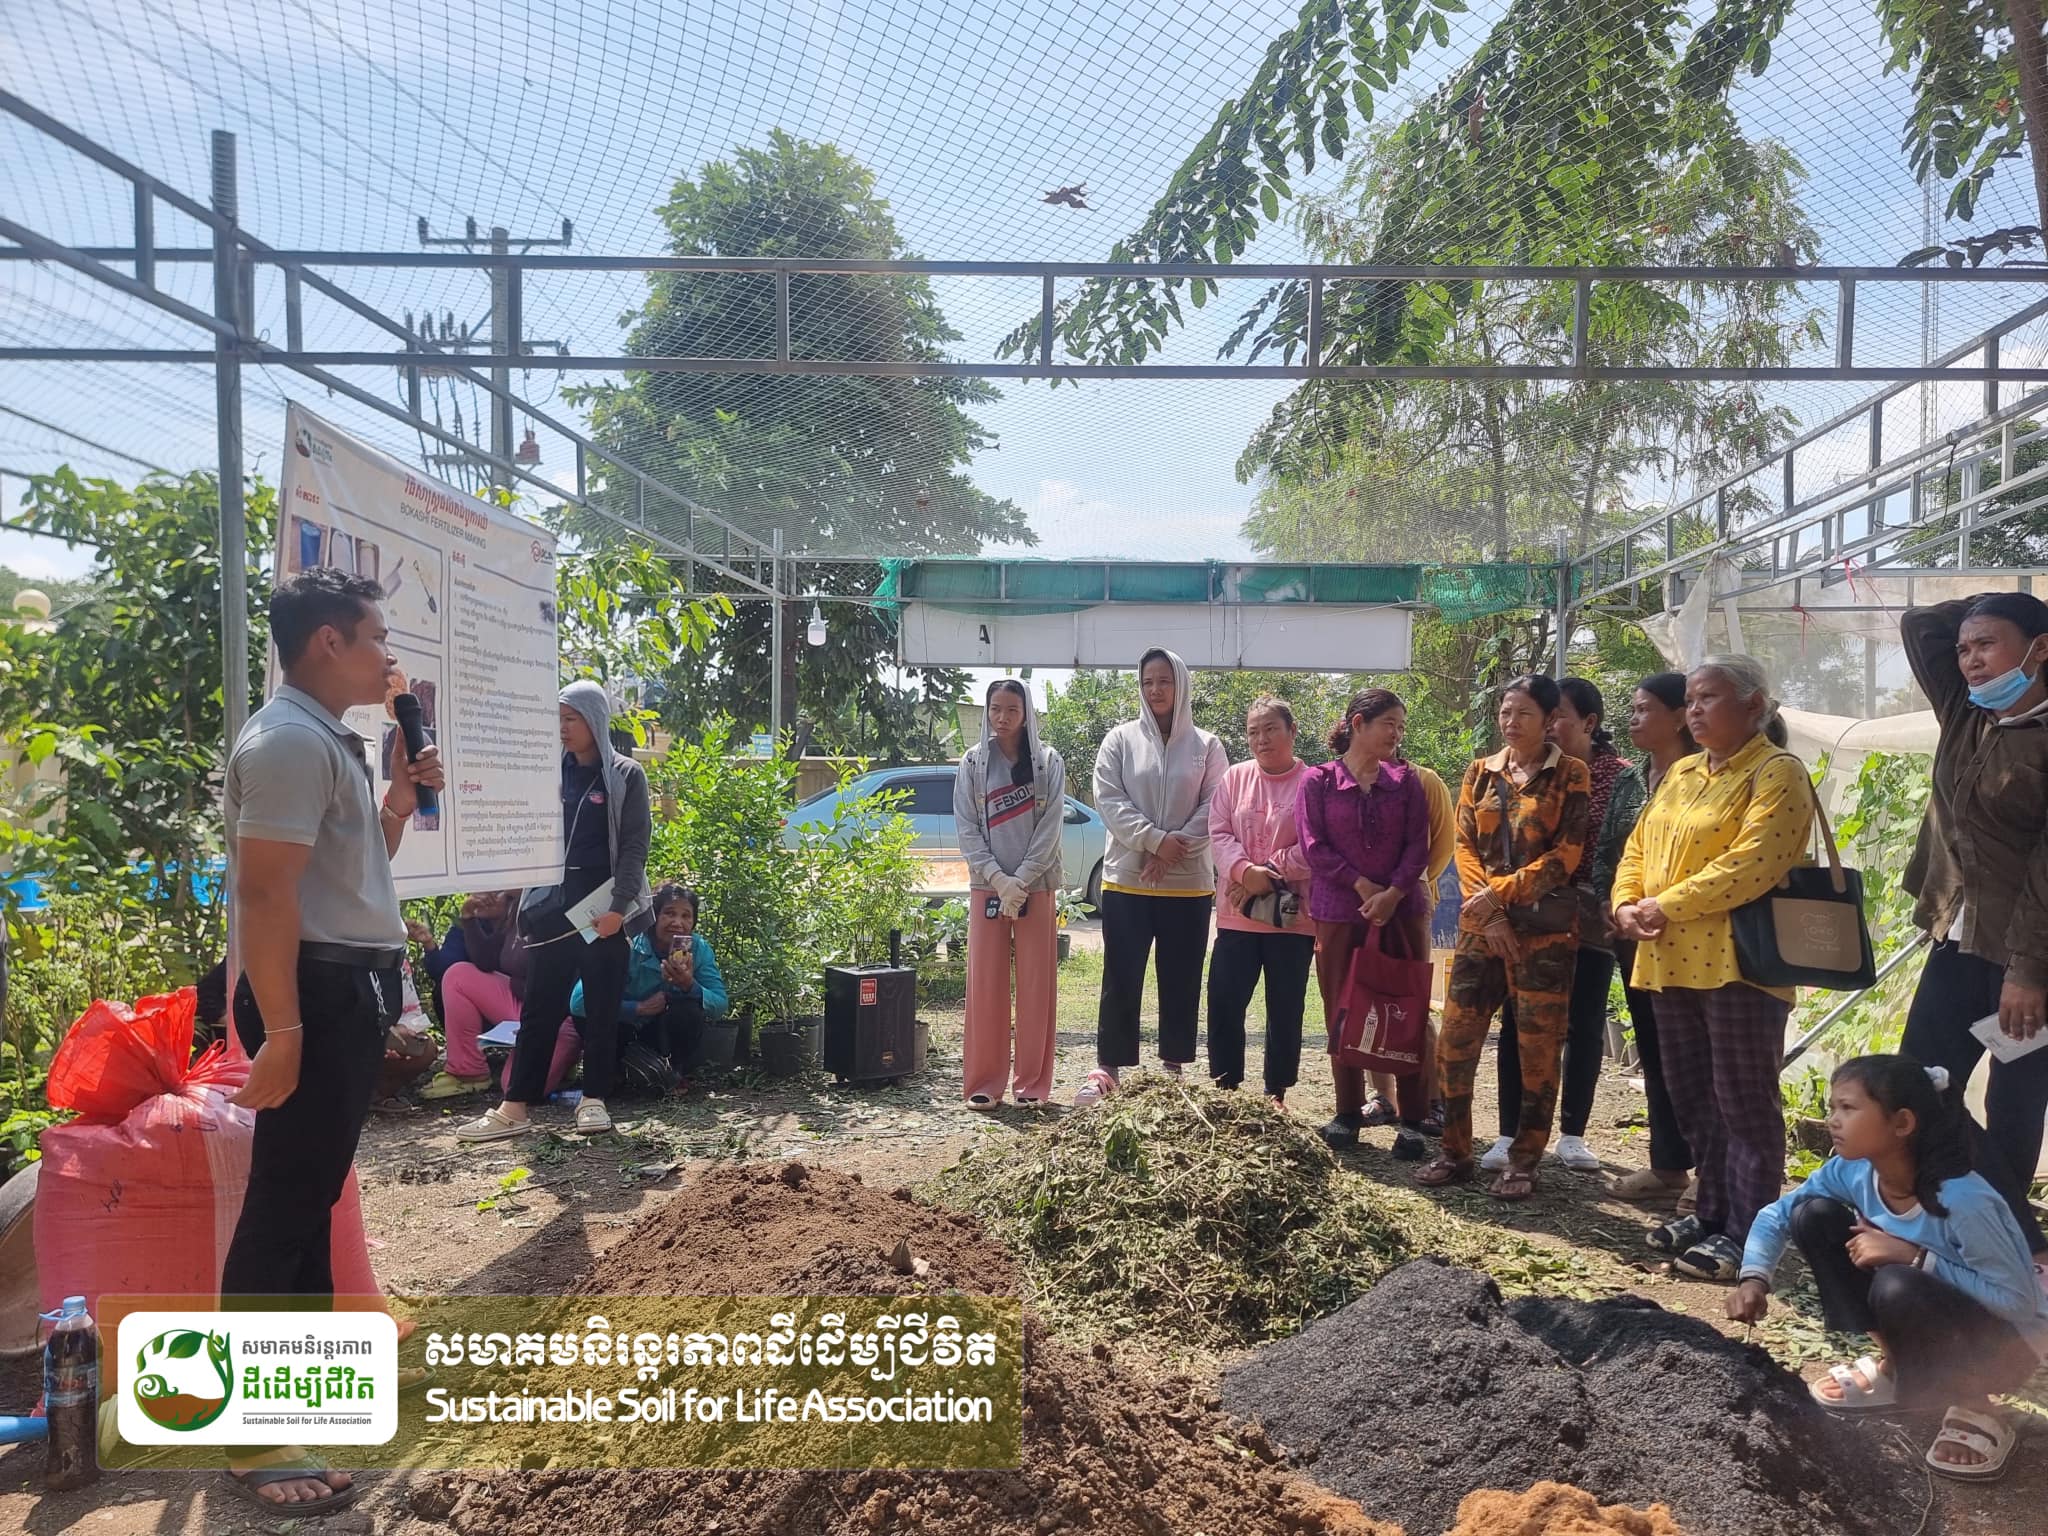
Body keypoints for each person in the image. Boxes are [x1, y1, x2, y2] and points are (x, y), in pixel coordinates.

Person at [219, 566, 444, 1514]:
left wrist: (397, 798)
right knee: (283, 1208)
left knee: (307, 1201)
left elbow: (353, 876)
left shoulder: (326, 740)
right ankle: (251, 1439)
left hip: (340, 986)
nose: (389, 656)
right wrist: (284, 1029)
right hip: (307, 989)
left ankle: (296, 1404)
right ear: (328, 643)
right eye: (376, 637)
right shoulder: (285, 742)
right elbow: (265, 892)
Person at [1730, 1056, 2048, 1482]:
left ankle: (1976, 1403)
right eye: (1831, 1108)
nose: (1833, 1120)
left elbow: (2017, 1303)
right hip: (1935, 1312)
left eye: (1848, 1108)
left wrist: (1915, 1256)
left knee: (1898, 1283)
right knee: (1813, 1215)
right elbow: (1778, 1215)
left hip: (2006, 1347)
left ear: (1902, 1123)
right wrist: (1754, 1277)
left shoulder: (1964, 1200)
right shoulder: (1853, 1171)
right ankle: (1896, 1364)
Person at [1613, 655, 1811, 1281]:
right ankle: (1711, 1212)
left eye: (1709, 698)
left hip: (1739, 966)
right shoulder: (1683, 772)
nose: (1694, 710)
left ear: (1753, 706)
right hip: (1668, 959)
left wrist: (1662, 904)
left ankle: (1749, 1236)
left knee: (1744, 1103)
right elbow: (1638, 847)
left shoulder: (1777, 772)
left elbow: (1754, 863)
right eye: (1692, 699)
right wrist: (1625, 902)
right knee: (1694, 1097)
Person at [1899, 592, 2048, 1263]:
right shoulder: (1964, 712)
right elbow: (1919, 624)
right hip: (1957, 941)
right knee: (1916, 1082)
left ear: (2039, 649)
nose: (1970, 660)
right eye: (1964, 648)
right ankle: (1935, 1217)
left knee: (2015, 1102)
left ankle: (2008, 1247)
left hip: (2025, 960)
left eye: (1987, 643)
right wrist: (1984, 611)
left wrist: (2028, 973)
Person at [1418, 674, 1591, 1200]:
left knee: (1538, 1049)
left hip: (1543, 936)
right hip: (1481, 930)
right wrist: (1491, 913)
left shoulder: (1571, 775)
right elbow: (1464, 845)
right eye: (1505, 713)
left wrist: (1500, 895)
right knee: (1455, 1042)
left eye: (1524, 714)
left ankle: (1524, 1162)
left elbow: (1566, 856)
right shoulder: (1479, 772)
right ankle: (1455, 1151)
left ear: (1550, 720)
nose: (1511, 723)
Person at [458, 682, 652, 1142]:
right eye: (558, 719)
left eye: (571, 718)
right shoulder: (547, 774)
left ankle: (593, 1100)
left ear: (595, 720)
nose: (562, 728)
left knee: (601, 1009)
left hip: (602, 909)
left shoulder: (625, 776)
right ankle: (514, 1108)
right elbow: (524, 837)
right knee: (540, 1011)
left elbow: (634, 847)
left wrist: (618, 910)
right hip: (551, 909)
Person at [1486, 677, 1625, 1175]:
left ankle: (1572, 1134)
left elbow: (1617, 847)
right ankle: (1509, 1132)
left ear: (1589, 722)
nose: (1547, 725)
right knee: (1517, 1021)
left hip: (1589, 916)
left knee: (1584, 1022)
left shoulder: (1619, 778)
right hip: (1529, 912)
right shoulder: (1520, 771)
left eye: (1557, 715)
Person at [1078, 648, 1228, 1107]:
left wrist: (1170, 849)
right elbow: (1110, 800)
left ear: (1181, 684)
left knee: (1181, 976)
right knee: (1121, 975)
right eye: (1147, 681)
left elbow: (1215, 806)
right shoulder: (1119, 740)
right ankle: (1109, 1067)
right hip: (1128, 880)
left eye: (1165, 680)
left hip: (1188, 883)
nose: (1156, 689)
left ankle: (1173, 1066)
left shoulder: (1207, 746)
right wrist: (1153, 841)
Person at [1300, 688, 1434, 1156]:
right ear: (1358, 724)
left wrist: (1392, 894)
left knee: (1406, 1006)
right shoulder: (1318, 781)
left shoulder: (1407, 781)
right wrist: (1361, 886)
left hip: (1402, 913)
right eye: (1389, 724)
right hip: (1339, 913)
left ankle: (1413, 1119)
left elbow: (1418, 845)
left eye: (1401, 726)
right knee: (1342, 1008)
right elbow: (1313, 846)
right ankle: (1347, 1113)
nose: (1397, 734)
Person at [1603, 674, 1699, 1206]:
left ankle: (1714, 1171)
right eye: (1633, 709)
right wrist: (1615, 906)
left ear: (1679, 716)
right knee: (1657, 1050)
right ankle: (1668, 1166)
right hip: (1634, 935)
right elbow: (1611, 851)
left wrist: (1664, 905)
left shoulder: (1709, 775)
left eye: (1644, 709)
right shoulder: (1630, 779)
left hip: (1695, 938)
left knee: (1700, 1055)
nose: (1634, 719)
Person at [953, 680, 1066, 1107]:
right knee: (986, 986)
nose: (1002, 718)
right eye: (995, 709)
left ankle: (1032, 1085)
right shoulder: (972, 763)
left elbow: (1050, 829)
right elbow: (967, 828)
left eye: (1012, 710)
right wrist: (999, 880)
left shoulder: (1048, 763)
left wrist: (1021, 881)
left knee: (1037, 986)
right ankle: (984, 1083)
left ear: (1027, 713)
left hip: (1036, 887)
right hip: (988, 887)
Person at [1206, 695, 1315, 1107]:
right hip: (1238, 916)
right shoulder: (1234, 779)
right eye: (1253, 732)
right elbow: (1218, 832)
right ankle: (1226, 1086)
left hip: (1291, 919)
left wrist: (1265, 873)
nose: (1262, 739)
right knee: (1224, 1001)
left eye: (1271, 729)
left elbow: (1318, 844)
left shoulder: (1313, 782)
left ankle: (1276, 1091)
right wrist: (1242, 871)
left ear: (1292, 731)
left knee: (1285, 1007)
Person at [1367, 750, 1458, 1136]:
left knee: (1413, 1002)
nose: (1388, 735)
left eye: (1395, 725)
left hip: (1411, 906)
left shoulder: (1426, 781)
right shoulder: (1352, 780)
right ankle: (1382, 1097)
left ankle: (1433, 1099)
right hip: (1363, 904)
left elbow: (1442, 847)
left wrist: (1405, 886)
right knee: (1368, 1000)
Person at [571, 883, 727, 1090]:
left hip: (657, 1032)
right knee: (594, 1017)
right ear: (653, 916)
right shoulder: (628, 944)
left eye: (686, 916)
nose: (677, 923)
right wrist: (638, 1008)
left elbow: (720, 1004)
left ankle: (673, 1072)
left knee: (688, 1010)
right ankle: (616, 1071)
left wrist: (689, 985)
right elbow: (579, 1002)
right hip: (619, 1027)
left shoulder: (698, 949)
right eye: (669, 913)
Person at [414, 891, 528, 1100]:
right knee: (454, 977)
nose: (484, 897)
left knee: (518, 1084)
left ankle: (560, 1058)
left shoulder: (528, 914)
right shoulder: (471, 925)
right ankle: (468, 1070)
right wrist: (431, 944)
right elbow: (451, 969)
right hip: (504, 1009)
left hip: (545, 1013)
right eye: (478, 890)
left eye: (494, 890)